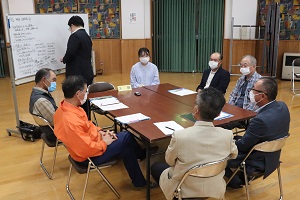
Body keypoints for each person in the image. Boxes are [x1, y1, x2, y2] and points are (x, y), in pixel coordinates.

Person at [53, 75, 152, 188]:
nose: (86, 95)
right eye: (85, 92)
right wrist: (104, 142)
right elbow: (86, 149)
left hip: (90, 145)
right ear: (78, 94)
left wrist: (101, 133)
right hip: (87, 157)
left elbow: (88, 126)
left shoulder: (67, 107)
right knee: (126, 135)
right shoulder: (70, 121)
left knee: (126, 148)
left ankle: (140, 182)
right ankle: (142, 156)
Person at [151, 88, 238, 200]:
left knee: (155, 167)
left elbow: (169, 161)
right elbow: (234, 155)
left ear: (196, 109)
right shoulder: (227, 135)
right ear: (219, 113)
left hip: (185, 190)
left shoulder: (180, 136)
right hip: (215, 188)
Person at [226, 77, 290, 189]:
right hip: (273, 156)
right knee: (235, 138)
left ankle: (235, 182)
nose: (250, 92)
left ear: (263, 95)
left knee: (219, 148)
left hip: (256, 160)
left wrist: (226, 142)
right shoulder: (283, 106)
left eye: (253, 90)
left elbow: (243, 146)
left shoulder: (260, 121)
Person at [61, 15, 93, 116]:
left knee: (76, 100)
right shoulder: (87, 36)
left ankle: (79, 123)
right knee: (84, 99)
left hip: (77, 75)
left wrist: (64, 59)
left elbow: (70, 53)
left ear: (72, 25)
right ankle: (86, 122)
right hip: (87, 72)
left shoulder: (75, 36)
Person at [29, 68, 57, 142]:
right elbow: (57, 121)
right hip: (55, 134)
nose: (55, 83)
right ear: (44, 80)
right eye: (53, 80)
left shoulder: (37, 93)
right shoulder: (41, 101)